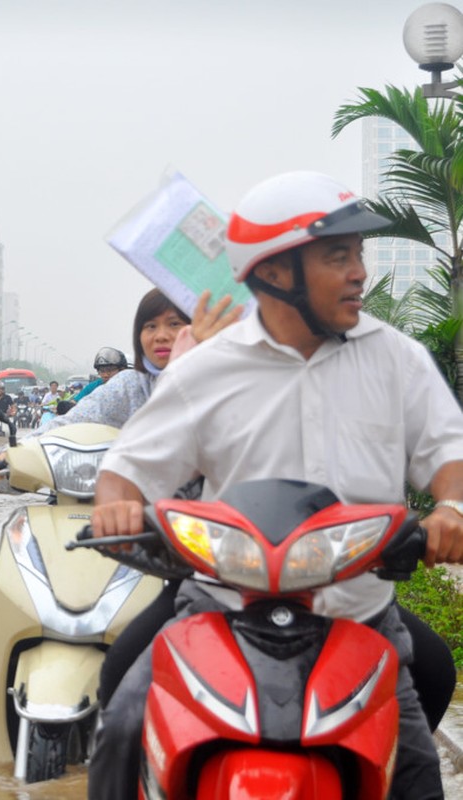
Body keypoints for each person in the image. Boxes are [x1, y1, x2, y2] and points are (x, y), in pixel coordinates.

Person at [86, 171, 463, 800]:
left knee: (418, 781)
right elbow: (126, 469)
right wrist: (117, 510)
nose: (358, 273)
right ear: (276, 271)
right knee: (123, 728)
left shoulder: (396, 358)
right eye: (337, 255)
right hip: (222, 611)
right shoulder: (206, 366)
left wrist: (451, 507)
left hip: (361, 618)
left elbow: (448, 452)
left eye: (358, 255)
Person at [0, 288, 195, 477]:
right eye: (151, 326)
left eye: (174, 324)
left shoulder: (219, 380)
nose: (161, 335)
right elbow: (69, 423)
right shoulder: (130, 386)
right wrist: (6, 456)